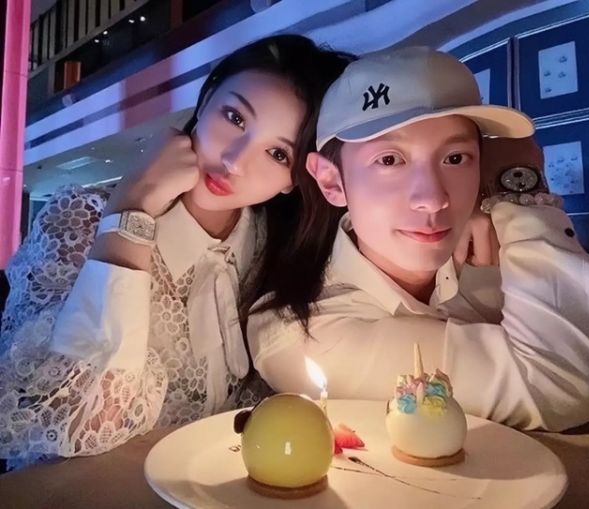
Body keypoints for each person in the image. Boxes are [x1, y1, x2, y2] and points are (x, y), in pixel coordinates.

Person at [0, 34, 353, 468]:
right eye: (235, 117)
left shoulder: (279, 251)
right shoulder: (81, 219)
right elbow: (74, 422)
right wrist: (132, 208)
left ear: (294, 180)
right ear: (205, 101)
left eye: (278, 153)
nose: (235, 161)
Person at [247, 47, 589, 432]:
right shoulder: (298, 332)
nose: (433, 198)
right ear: (332, 181)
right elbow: (565, 387)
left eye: (455, 158)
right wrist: (519, 184)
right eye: (389, 160)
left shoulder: (504, 242)